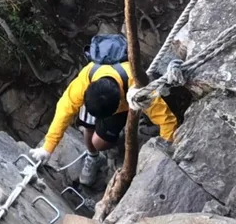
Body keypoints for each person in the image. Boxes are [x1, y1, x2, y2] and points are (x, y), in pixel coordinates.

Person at [32, 58, 178, 186]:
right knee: (90, 133)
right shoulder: (84, 83)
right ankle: (94, 156)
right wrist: (47, 148)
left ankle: (124, 129)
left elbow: (166, 119)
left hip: (129, 99)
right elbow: (63, 112)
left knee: (101, 140)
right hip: (103, 102)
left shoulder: (137, 84)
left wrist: (166, 147)